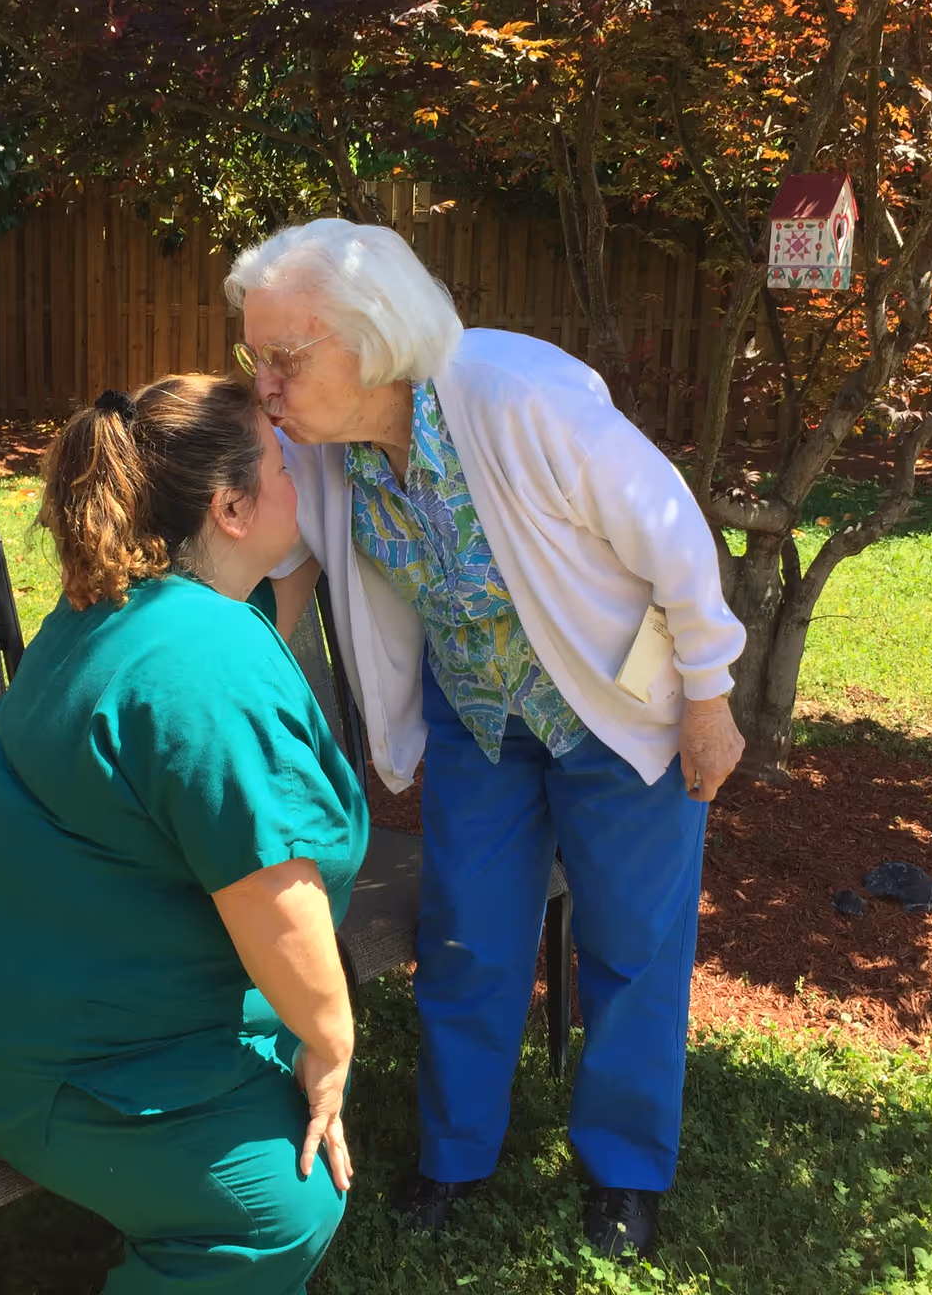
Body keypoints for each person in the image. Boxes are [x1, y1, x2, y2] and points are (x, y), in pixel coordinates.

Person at [223, 220, 748, 1259]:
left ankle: (625, 1172)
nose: (267, 386)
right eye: (255, 357)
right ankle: (453, 1156)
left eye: (286, 359)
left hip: (613, 712)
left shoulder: (513, 398)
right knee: (467, 939)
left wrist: (709, 693)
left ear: (371, 344)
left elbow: (671, 527)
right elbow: (280, 562)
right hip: (480, 720)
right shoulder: (321, 453)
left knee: (633, 947)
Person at [0, 374, 369, 1295]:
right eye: (283, 462)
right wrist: (332, 1042)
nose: (299, 472)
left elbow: (272, 603)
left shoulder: (127, 601)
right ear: (231, 509)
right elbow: (275, 896)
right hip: (43, 1055)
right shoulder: (205, 672)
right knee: (278, 1204)